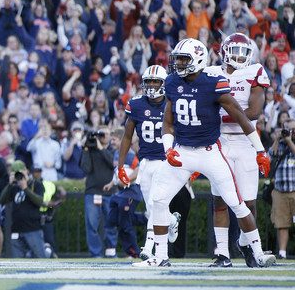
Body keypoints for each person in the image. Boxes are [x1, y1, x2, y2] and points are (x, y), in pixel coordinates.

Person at [134, 38, 275, 268]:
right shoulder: (171, 82)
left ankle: (258, 252)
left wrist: (260, 150)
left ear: (197, 59)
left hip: (210, 152)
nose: (178, 63)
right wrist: (168, 149)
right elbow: (167, 122)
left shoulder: (213, 82)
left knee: (237, 203)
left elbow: (241, 115)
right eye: (177, 59)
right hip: (182, 151)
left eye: (183, 59)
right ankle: (160, 257)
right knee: (158, 199)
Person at [206, 33, 270, 267]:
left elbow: (253, 112)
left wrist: (217, 114)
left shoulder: (255, 72)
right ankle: (222, 253)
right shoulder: (212, 73)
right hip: (220, 142)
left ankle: (245, 243)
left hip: (245, 142)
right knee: (220, 201)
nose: (239, 57)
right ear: (223, 52)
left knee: (249, 203)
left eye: (243, 52)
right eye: (234, 51)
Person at [117, 65, 181, 260]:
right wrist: (120, 166)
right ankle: (171, 220)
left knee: (155, 203)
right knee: (151, 208)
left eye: (156, 81)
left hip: (165, 161)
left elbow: (182, 135)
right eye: (149, 82)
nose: (152, 85)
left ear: (163, 83)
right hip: (145, 162)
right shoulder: (136, 104)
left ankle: (147, 248)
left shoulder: (172, 103)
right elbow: (127, 137)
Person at [80, 129, 118, 258]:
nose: (102, 137)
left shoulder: (113, 150)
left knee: (111, 223)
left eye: (104, 134)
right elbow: (86, 168)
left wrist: (101, 148)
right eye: (100, 135)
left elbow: (113, 163)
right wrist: (85, 149)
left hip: (110, 192)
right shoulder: (90, 150)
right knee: (92, 224)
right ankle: (96, 254)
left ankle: (110, 252)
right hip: (92, 192)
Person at [0, 160, 46, 258]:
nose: (19, 175)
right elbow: (2, 200)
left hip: (32, 229)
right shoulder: (13, 187)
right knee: (17, 263)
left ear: (26, 171)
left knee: (40, 259)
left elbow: (40, 202)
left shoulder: (36, 184)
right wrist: (9, 184)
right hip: (16, 229)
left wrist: (25, 188)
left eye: (21, 172)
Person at [269, 119, 295, 260]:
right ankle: (282, 252)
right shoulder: (280, 144)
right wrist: (278, 140)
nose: (288, 132)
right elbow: (270, 155)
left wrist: (289, 140)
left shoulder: (291, 143)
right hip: (280, 191)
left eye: (291, 129)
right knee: (281, 223)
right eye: (287, 129)